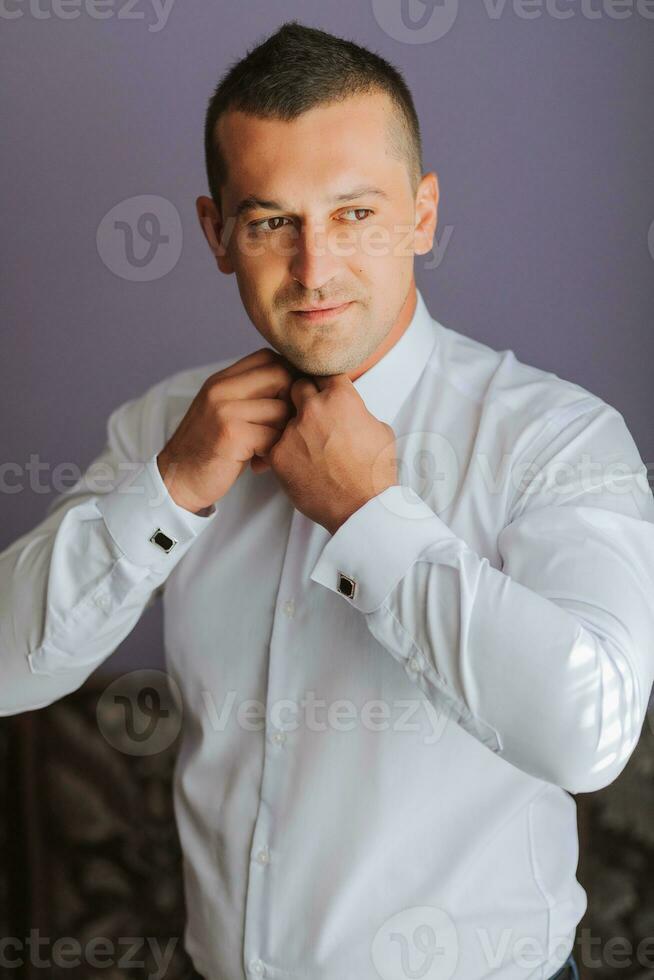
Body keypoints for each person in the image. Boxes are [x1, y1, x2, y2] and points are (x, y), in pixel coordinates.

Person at [1, 19, 652, 980]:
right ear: (217, 233)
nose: (314, 270)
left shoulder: (557, 439)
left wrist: (371, 518)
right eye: (271, 221)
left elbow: (587, 737)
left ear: (423, 215)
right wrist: (174, 489)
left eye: (355, 215)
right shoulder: (166, 430)